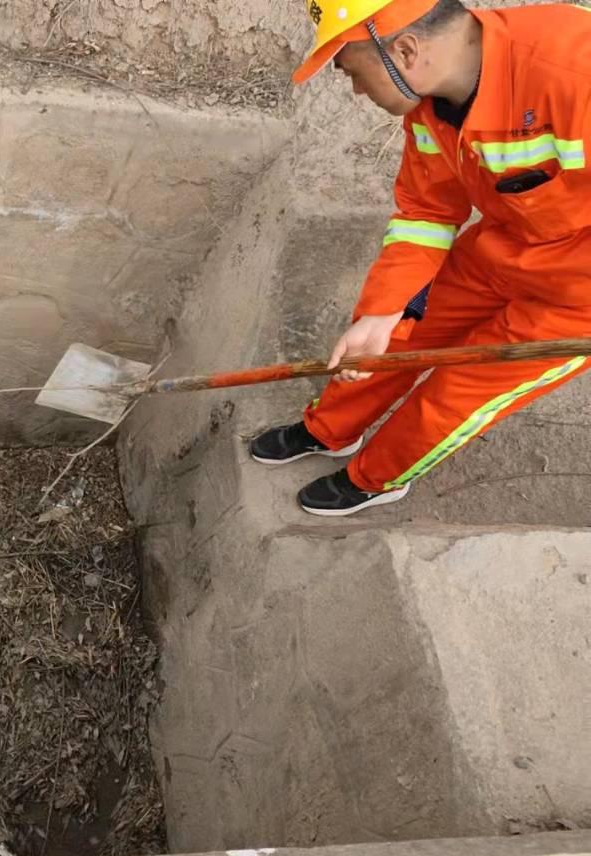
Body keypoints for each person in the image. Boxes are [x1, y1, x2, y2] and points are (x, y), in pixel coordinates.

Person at [251, 0, 591, 516]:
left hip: (576, 299)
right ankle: (330, 429)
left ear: (405, 51)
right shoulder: (431, 105)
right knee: (392, 337)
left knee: (457, 394)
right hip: (500, 249)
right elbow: (427, 212)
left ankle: (375, 478)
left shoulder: (574, 71)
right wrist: (382, 312)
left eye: (352, 72)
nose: (357, 90)